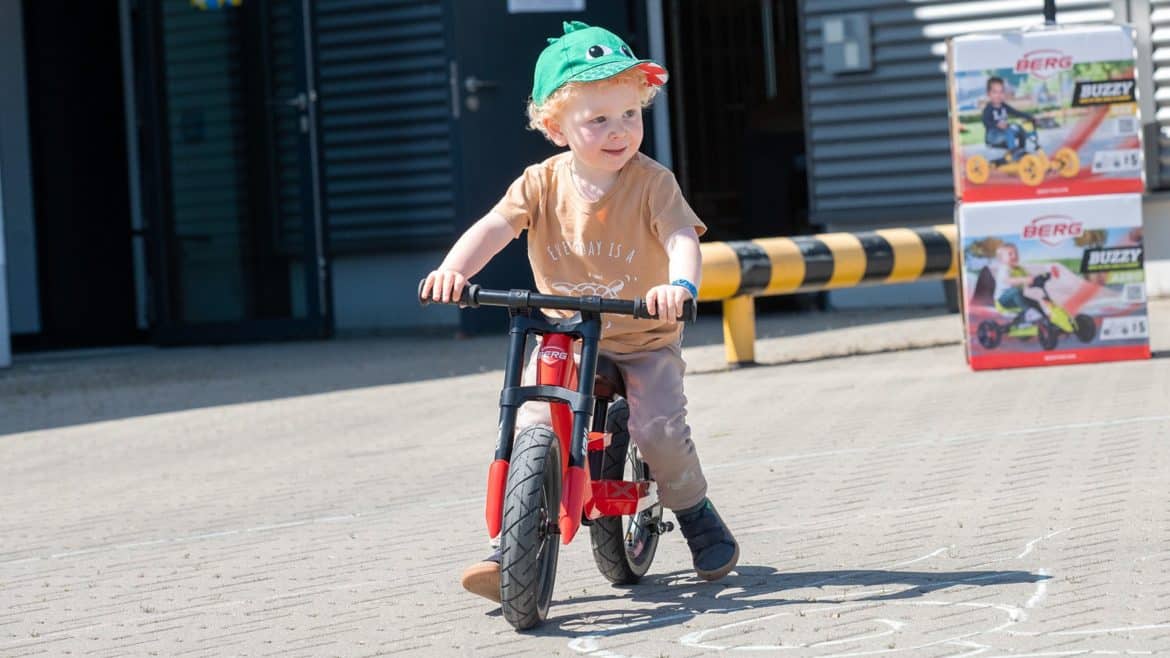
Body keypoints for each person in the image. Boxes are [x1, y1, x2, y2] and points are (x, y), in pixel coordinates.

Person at [420, 20, 739, 603]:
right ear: (554, 126)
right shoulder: (540, 183)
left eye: (630, 116)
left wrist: (679, 285)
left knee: (659, 429)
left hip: (641, 336)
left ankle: (694, 512)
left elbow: (680, 240)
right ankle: (509, 546)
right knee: (530, 421)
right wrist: (454, 271)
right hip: (563, 333)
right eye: (598, 120)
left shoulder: (652, 183)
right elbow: (494, 228)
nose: (619, 132)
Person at [989, 243, 1049, 320]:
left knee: (1034, 302)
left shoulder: (1020, 269)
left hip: (1016, 300)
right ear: (1001, 259)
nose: (1014, 256)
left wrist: (1040, 277)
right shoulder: (1004, 269)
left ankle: (1044, 319)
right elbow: (1008, 280)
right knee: (1015, 291)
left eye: (1016, 253)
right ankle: (1029, 313)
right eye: (1010, 254)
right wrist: (1024, 280)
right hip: (1002, 301)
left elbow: (1030, 278)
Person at [983, 77, 1035, 157]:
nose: (998, 95)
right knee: (1009, 131)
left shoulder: (1004, 106)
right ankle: (1014, 153)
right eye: (995, 92)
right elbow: (985, 122)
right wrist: (996, 124)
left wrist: (1028, 116)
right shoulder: (989, 108)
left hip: (1004, 133)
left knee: (1020, 128)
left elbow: (1015, 112)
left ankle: (1022, 150)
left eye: (1001, 92)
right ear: (989, 94)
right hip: (993, 136)